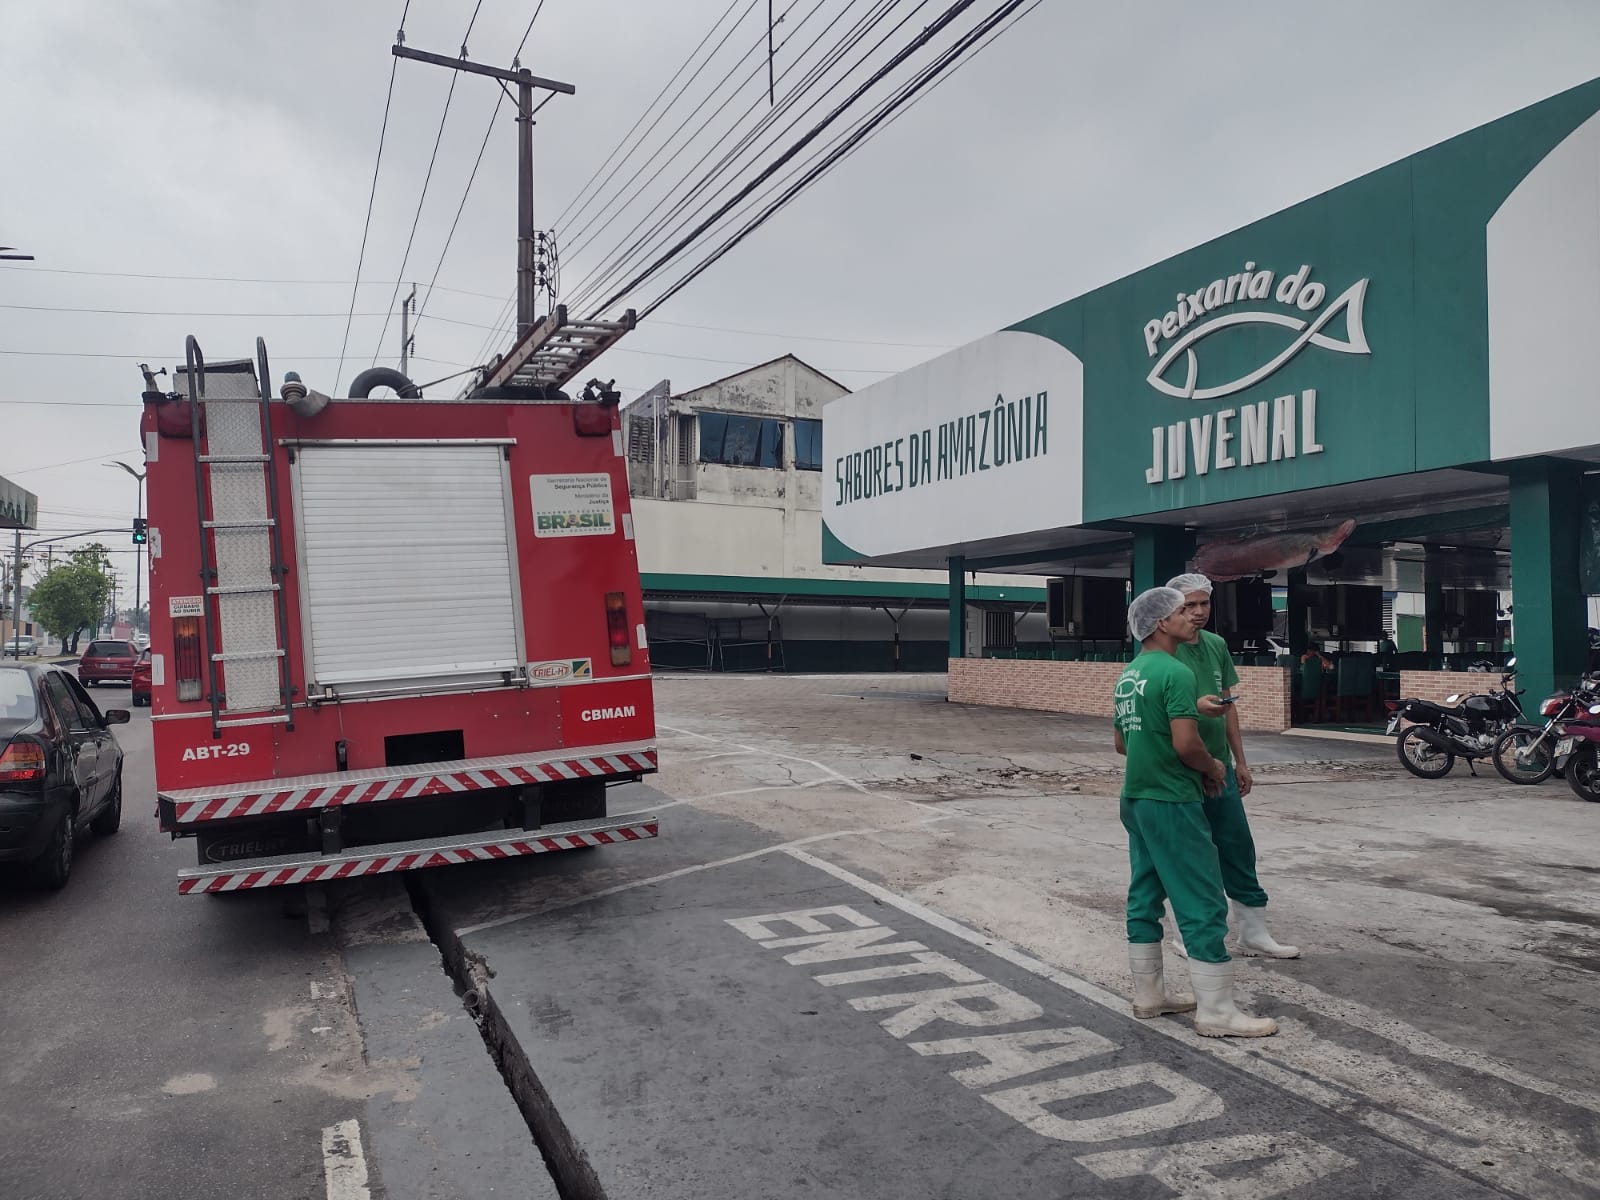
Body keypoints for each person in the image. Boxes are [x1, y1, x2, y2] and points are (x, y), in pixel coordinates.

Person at [1113, 586, 1278, 1038]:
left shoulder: (1130, 673)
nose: (1192, 617)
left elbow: (1122, 742)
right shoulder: (1177, 672)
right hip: (1173, 799)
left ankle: (1150, 996)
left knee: (1145, 893)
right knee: (1202, 899)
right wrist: (1213, 766)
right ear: (1161, 623)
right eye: (1181, 611)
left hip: (1137, 796)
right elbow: (1188, 745)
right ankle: (1217, 1011)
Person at [1165, 574, 1300, 960]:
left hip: (1219, 765)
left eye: (1203, 603)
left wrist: (1239, 760)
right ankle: (1186, 931)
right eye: (1188, 606)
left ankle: (1253, 932)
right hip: (1179, 767)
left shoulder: (1216, 645)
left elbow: (1227, 706)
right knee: (1188, 852)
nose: (1198, 612)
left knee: (1238, 845)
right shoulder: (1164, 650)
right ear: (1172, 609)